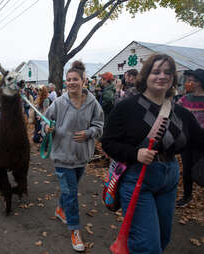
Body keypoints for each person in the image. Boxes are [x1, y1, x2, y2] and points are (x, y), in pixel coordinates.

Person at [101, 54, 204, 254]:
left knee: (163, 238)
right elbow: (108, 142)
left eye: (168, 72)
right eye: (156, 71)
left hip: (170, 178)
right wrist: (135, 153)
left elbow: (199, 140)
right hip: (137, 178)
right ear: (146, 75)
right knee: (147, 245)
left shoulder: (181, 112)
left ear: (173, 78)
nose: (162, 76)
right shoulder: (127, 107)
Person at [43, 61, 104, 252]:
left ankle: (61, 208)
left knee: (70, 189)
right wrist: (47, 128)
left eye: (75, 79)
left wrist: (89, 133)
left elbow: (100, 126)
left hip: (82, 156)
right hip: (62, 156)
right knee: (71, 193)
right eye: (68, 80)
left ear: (83, 81)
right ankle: (75, 230)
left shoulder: (93, 103)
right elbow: (45, 122)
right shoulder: (59, 103)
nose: (71, 83)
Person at [175, 68, 204, 207]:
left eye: (191, 80)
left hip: (201, 141)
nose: (188, 82)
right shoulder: (185, 99)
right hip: (187, 140)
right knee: (186, 168)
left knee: (200, 167)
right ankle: (187, 196)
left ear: (199, 83)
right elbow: (174, 111)